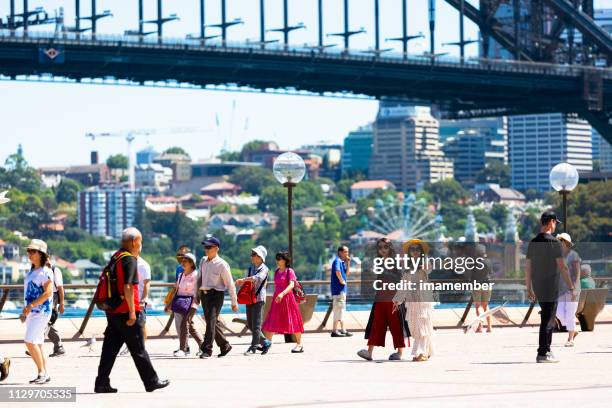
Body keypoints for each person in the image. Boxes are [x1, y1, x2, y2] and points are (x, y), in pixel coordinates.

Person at [94, 227, 169, 393]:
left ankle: (101, 383)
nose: (140, 245)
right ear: (135, 242)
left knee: (109, 349)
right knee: (138, 349)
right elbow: (128, 286)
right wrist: (132, 312)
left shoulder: (115, 257)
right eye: (140, 242)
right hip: (125, 312)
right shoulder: (129, 260)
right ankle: (151, 381)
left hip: (112, 310)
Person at [525, 211, 575, 363]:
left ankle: (547, 349)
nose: (555, 226)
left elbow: (528, 266)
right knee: (548, 319)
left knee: (547, 316)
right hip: (550, 285)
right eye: (555, 223)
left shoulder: (533, 242)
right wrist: (571, 286)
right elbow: (563, 267)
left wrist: (529, 287)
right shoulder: (555, 243)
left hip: (538, 285)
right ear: (551, 221)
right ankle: (542, 353)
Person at [358, 238, 409, 361]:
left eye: (385, 247)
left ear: (390, 248)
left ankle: (400, 352)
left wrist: (400, 298)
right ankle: (369, 352)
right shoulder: (379, 262)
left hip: (393, 300)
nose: (382, 249)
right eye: (380, 247)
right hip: (380, 298)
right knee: (376, 325)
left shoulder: (396, 263)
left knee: (396, 326)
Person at [198, 236, 238, 359]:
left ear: (216, 248)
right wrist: (196, 295)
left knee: (210, 321)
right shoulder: (203, 261)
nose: (206, 249)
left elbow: (230, 284)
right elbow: (199, 279)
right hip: (204, 295)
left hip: (216, 295)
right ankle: (225, 346)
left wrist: (234, 301)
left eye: (209, 247)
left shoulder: (222, 264)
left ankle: (206, 349)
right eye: (205, 247)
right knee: (212, 322)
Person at [394, 239, 434, 362]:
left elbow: (429, 269)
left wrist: (423, 265)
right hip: (411, 300)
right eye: (412, 249)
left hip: (423, 298)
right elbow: (404, 284)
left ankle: (421, 352)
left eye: (417, 249)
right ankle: (425, 351)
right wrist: (397, 300)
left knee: (422, 324)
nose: (415, 251)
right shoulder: (407, 267)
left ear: (421, 251)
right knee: (413, 326)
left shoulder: (425, 263)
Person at [22, 239, 54, 384]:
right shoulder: (33, 271)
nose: (29, 253)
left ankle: (42, 373)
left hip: (41, 312)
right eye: (28, 251)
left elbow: (48, 293)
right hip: (33, 313)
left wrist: (31, 306)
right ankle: (43, 373)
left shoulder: (45, 272)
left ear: (41, 253)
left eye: (32, 251)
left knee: (29, 341)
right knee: (38, 344)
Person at [262, 251, 305, 353]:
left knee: (293, 320)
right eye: (276, 258)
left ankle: (299, 344)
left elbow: (291, 285)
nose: (277, 261)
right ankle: (268, 343)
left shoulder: (290, 271)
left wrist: (282, 294)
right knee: (272, 320)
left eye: (279, 259)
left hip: (288, 299)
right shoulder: (276, 272)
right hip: (277, 300)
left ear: (285, 260)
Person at [236, 245, 272, 355]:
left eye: (254, 254)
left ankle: (253, 347)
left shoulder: (264, 269)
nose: (251, 256)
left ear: (260, 257)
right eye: (252, 254)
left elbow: (257, 279)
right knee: (251, 324)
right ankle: (265, 342)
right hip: (249, 298)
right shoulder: (251, 269)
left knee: (256, 324)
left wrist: (243, 280)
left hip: (259, 299)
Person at [168, 253, 202, 357]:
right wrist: (170, 303)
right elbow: (177, 290)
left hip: (192, 302)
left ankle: (183, 349)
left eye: (185, 261)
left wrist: (195, 304)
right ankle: (203, 345)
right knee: (189, 326)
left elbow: (198, 292)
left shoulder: (197, 275)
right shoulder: (181, 275)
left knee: (185, 323)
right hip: (180, 303)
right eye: (182, 261)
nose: (182, 263)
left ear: (191, 263)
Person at [120, 255, 152, 356]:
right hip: (128, 298)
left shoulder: (144, 265)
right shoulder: (126, 262)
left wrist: (143, 299)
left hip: (139, 299)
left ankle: (141, 346)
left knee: (141, 324)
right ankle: (131, 346)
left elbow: (147, 283)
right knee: (129, 323)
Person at [555, 233, 581, 347]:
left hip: (573, 289)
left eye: (561, 240)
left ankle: (570, 339)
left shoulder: (574, 255)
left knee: (570, 314)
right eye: (558, 240)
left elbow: (577, 274)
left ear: (567, 243)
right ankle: (573, 330)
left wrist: (574, 289)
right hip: (561, 289)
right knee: (559, 313)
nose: (559, 242)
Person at [469, 244, 493, 333]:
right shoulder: (489, 262)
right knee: (486, 306)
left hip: (477, 285)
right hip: (487, 285)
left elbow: (471, 275)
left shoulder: (474, 262)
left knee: (478, 306)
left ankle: (480, 327)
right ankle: (489, 327)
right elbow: (490, 273)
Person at [330, 245, 352, 338]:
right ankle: (335, 330)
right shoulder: (337, 261)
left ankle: (343, 329)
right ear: (340, 252)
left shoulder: (342, 262)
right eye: (345, 251)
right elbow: (337, 271)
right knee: (338, 310)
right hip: (338, 290)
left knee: (342, 309)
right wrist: (341, 280)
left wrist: (348, 263)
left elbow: (347, 273)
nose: (347, 253)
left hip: (342, 290)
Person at [173, 245, 192, 354]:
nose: (180, 257)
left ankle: (187, 347)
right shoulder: (178, 268)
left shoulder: (192, 269)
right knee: (178, 324)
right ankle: (184, 346)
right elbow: (177, 284)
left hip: (188, 300)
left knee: (188, 325)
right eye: (178, 255)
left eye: (182, 255)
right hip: (178, 299)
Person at [46, 258, 66, 357]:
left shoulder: (55, 270)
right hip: (43, 296)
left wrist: (62, 303)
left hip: (52, 296)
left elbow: (60, 288)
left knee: (47, 322)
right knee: (47, 322)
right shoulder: (39, 270)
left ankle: (36, 346)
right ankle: (58, 347)